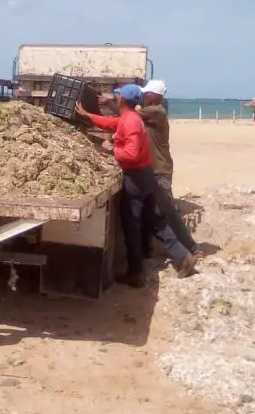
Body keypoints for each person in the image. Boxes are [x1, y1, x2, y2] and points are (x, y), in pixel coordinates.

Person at [76, 84, 197, 288]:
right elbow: (111, 123)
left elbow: (130, 154)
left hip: (136, 179)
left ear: (122, 100)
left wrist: (110, 148)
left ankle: (135, 274)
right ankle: (183, 256)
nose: (117, 98)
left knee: (132, 225)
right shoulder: (130, 118)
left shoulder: (131, 122)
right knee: (156, 221)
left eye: (118, 96)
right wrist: (88, 115)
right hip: (146, 176)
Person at [99, 80, 200, 258]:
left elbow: (127, 114)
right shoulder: (149, 113)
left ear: (156, 96)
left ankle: (191, 249)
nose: (144, 96)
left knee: (168, 213)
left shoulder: (156, 111)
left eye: (147, 94)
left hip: (160, 171)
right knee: (150, 213)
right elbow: (126, 117)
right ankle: (148, 251)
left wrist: (110, 103)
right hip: (152, 171)